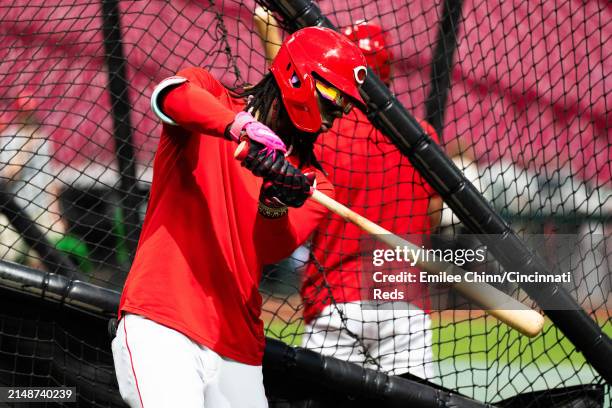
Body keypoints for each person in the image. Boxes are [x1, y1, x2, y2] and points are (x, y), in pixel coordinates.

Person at [111, 26, 368, 408]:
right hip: (163, 321)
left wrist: (276, 198)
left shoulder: (313, 184)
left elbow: (267, 247)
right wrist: (239, 128)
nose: (334, 119)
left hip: (237, 346)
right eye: (333, 103)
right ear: (299, 78)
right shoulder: (210, 96)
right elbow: (169, 96)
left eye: (343, 109)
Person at [254, 14, 442, 381]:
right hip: (403, 301)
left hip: (336, 301)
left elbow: (290, 88)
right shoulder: (420, 135)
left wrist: (268, 31)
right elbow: (433, 215)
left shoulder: (326, 131)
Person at [0, 93, 68, 270]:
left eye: (31, 110)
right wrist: (26, 147)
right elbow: (9, 175)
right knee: (9, 255)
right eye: (25, 111)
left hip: (40, 208)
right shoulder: (9, 138)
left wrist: (56, 212)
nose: (29, 115)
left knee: (43, 255)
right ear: (19, 112)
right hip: (15, 209)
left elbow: (49, 179)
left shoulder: (43, 139)